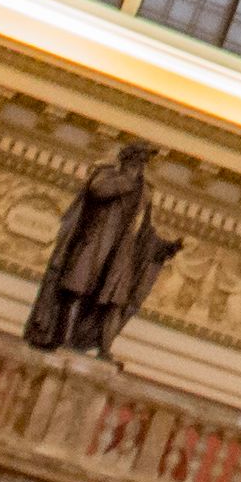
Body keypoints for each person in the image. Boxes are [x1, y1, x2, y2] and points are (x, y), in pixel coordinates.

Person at [25, 138, 180, 358]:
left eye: (144, 161)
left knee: (115, 300)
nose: (141, 165)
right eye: (139, 159)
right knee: (76, 290)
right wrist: (127, 180)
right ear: (127, 158)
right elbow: (98, 190)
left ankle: (104, 347)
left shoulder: (143, 191)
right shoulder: (108, 176)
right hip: (95, 243)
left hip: (120, 253)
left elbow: (144, 231)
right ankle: (66, 340)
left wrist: (163, 248)